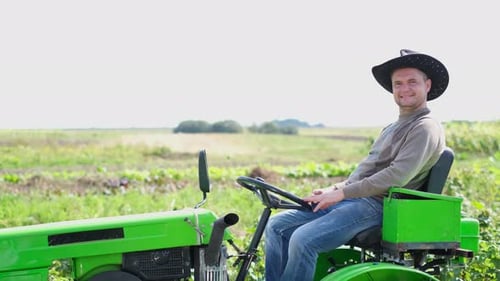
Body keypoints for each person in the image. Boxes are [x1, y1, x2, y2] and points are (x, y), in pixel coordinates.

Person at [264, 49, 449, 281]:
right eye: (398, 83)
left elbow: (396, 176)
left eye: (412, 82)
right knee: (276, 226)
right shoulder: (392, 127)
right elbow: (366, 169)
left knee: (304, 240)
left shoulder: (425, 127)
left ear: (427, 85)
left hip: (380, 205)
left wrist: (343, 193)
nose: (404, 89)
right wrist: (334, 190)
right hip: (356, 199)